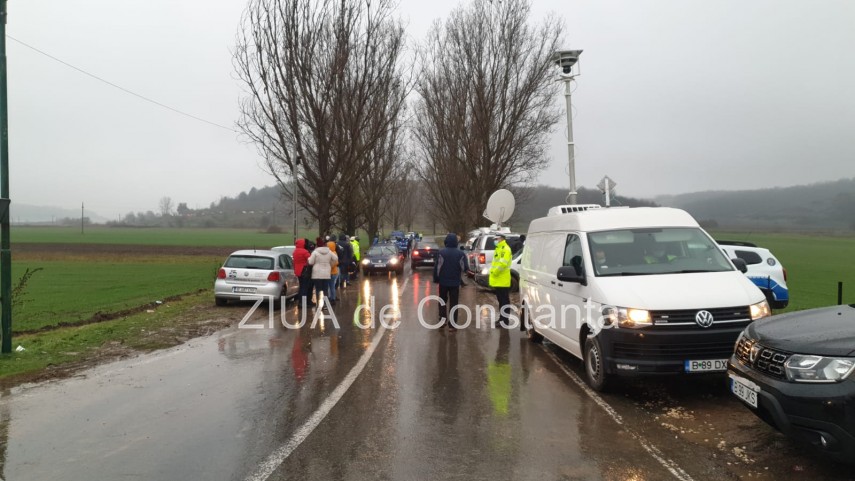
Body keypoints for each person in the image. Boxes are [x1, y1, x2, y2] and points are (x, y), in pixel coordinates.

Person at [434, 233, 467, 331]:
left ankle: (442, 320)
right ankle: (452, 325)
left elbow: (437, 268)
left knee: (442, 301)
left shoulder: (441, 253)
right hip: (455, 283)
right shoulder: (460, 254)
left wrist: (436, 278)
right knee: (454, 303)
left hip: (443, 282)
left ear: (446, 242)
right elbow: (464, 268)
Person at [489, 233, 513, 328]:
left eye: (496, 238)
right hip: (498, 280)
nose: (495, 240)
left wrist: (494, 272)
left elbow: (502, 264)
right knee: (501, 301)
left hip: (502, 279)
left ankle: (505, 320)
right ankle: (502, 318)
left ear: (501, 239)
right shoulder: (499, 248)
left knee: (504, 301)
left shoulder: (505, 249)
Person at [308, 240, 337, 307]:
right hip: (326, 274)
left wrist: (309, 259)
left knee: (318, 290)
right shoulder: (329, 252)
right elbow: (335, 258)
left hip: (317, 274)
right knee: (325, 290)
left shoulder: (315, 252)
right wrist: (330, 265)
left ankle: (318, 304)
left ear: (317, 245)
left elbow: (311, 262)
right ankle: (325, 304)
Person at [292, 239, 313, 308]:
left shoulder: (295, 251)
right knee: (305, 287)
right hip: (304, 271)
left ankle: (300, 302)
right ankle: (303, 303)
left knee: (301, 287)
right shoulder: (305, 251)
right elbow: (310, 260)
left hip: (298, 271)